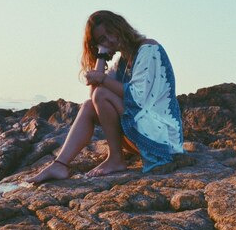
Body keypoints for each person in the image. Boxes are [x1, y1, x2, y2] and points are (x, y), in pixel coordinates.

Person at [27, 10, 183, 184]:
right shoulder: (122, 61)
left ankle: (115, 158)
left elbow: (138, 97)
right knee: (88, 105)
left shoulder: (148, 49)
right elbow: (94, 97)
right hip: (140, 133)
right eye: (102, 39)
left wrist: (101, 78)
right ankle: (60, 164)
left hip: (160, 138)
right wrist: (101, 55)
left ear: (120, 27)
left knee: (102, 93)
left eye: (110, 32)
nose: (109, 39)